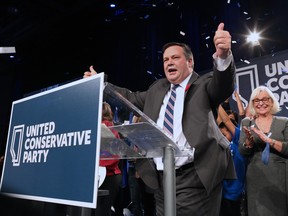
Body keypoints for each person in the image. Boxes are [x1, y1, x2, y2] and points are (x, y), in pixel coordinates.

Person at [84, 22, 236, 216]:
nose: (169, 63)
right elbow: (129, 98)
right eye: (165, 60)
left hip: (195, 175)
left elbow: (223, 85)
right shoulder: (157, 88)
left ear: (190, 62)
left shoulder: (204, 84)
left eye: (175, 58)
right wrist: (101, 84)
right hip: (161, 178)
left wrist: (223, 57)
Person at [238, 85, 288, 216]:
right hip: (256, 177)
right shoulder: (247, 123)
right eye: (256, 100)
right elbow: (242, 152)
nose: (261, 103)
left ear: (272, 102)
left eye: (265, 99)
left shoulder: (284, 122)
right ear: (253, 104)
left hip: (280, 176)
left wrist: (269, 141)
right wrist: (248, 143)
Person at [217, 105, 247, 216]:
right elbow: (218, 121)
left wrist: (217, 102)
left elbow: (225, 120)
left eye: (226, 130)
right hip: (219, 194)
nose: (222, 132)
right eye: (220, 130)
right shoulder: (218, 144)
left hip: (234, 194)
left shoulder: (238, 140)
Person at [96, 101, 123, 216]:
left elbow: (112, 156)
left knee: (101, 211)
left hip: (108, 176)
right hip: (108, 177)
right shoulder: (111, 127)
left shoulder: (107, 127)